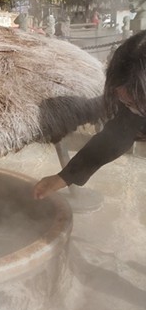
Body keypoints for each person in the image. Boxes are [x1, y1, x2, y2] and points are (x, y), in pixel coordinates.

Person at [34, 30, 146, 199]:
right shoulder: (132, 105)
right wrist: (64, 177)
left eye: (132, 102)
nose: (127, 107)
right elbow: (118, 135)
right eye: (123, 101)